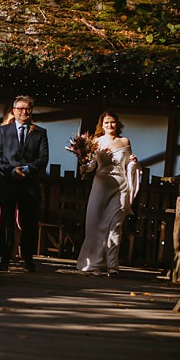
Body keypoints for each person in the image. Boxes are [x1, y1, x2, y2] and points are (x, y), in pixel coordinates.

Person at [76, 111, 142, 276]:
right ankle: (95, 263)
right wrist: (84, 164)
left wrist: (134, 162)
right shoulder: (96, 142)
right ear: (102, 125)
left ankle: (113, 265)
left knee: (116, 225)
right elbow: (91, 166)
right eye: (106, 123)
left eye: (112, 122)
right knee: (95, 224)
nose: (110, 126)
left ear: (117, 124)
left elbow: (128, 163)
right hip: (101, 186)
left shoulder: (124, 141)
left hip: (120, 186)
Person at [0, 95, 48, 271]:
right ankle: (4, 258)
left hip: (29, 183)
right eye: (21, 108)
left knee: (29, 222)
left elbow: (43, 158)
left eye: (28, 108)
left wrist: (28, 169)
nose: (24, 112)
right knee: (6, 222)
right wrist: (11, 170)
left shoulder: (39, 132)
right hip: (8, 182)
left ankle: (28, 258)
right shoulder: (3, 131)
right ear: (14, 111)